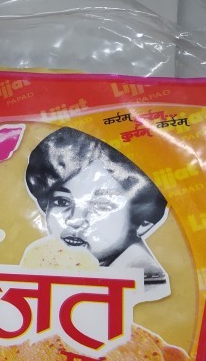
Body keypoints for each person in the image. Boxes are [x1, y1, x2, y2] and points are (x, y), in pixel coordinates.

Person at [25, 126, 169, 299]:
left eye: (101, 206)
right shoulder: (80, 273)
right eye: (62, 202)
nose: (75, 220)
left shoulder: (146, 290)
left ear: (143, 221)